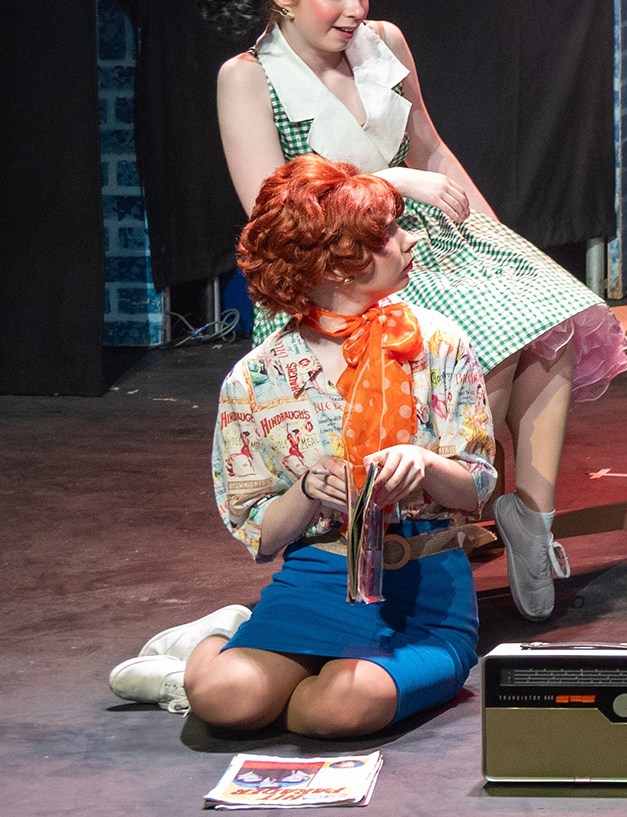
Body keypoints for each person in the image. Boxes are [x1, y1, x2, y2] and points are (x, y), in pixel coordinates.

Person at [201, 0, 627, 621]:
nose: (355, 9)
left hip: (426, 244)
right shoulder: (249, 76)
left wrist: (503, 241)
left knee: (552, 314)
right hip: (337, 270)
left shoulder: (383, 43)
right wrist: (390, 183)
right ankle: (444, 537)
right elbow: (276, 211)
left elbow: (432, 148)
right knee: (488, 340)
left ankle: (530, 519)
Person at [107, 156, 496, 733]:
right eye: (387, 233)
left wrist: (425, 465)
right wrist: (309, 490)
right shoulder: (256, 379)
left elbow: (478, 487)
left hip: (425, 585)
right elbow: (263, 536)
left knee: (339, 708)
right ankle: (208, 646)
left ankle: (278, 671)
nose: (410, 239)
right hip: (318, 577)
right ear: (337, 265)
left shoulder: (437, 345)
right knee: (226, 701)